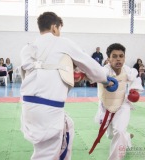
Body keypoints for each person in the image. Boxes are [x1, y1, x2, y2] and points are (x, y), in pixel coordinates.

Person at [20, 12, 113, 160]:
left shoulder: (28, 48)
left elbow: (42, 72)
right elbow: (89, 64)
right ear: (54, 27)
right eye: (59, 29)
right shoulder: (62, 42)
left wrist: (69, 72)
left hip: (29, 107)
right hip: (49, 109)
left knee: (67, 127)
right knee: (46, 154)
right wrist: (105, 79)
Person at [93, 43, 143, 160]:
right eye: (114, 56)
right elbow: (95, 75)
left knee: (119, 131)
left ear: (124, 58)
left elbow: (135, 80)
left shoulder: (128, 70)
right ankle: (127, 137)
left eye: (121, 56)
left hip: (122, 105)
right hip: (106, 106)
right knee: (111, 135)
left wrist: (133, 90)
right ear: (108, 59)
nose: (118, 59)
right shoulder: (104, 71)